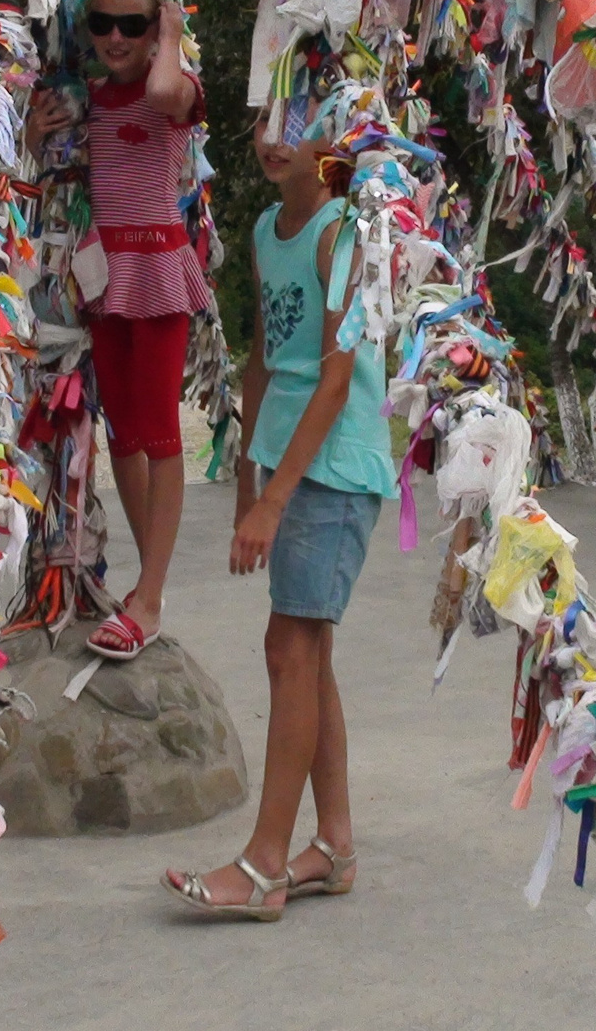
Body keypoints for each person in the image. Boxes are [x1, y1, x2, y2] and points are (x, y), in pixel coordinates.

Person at [164, 114, 392, 920]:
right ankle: (332, 847)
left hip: (333, 464)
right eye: (263, 117)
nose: (270, 135)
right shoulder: (269, 228)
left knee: (288, 647)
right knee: (306, 650)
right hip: (288, 459)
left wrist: (276, 495)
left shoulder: (344, 234)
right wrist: (243, 478)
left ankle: (265, 865)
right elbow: (263, 354)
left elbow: (336, 378)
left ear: (333, 142)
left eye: (296, 123)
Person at [28, 0, 209, 661]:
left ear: (156, 26)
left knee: (162, 436)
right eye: (99, 22)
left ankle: (151, 596)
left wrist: (169, 32)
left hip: (158, 271)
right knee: (124, 433)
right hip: (103, 277)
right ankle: (143, 588)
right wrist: (37, 136)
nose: (113, 37)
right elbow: (44, 177)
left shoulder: (177, 91)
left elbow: (163, 86)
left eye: (131, 24)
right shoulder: (87, 99)